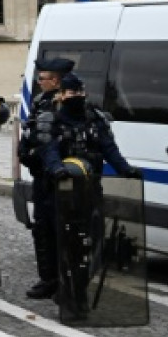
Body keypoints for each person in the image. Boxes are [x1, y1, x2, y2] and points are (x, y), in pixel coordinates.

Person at [38, 72, 143, 317]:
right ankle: (69, 295)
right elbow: (48, 150)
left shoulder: (95, 119)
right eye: (72, 93)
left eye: (81, 93)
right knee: (67, 246)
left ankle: (79, 289)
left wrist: (125, 169)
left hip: (90, 191)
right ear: (62, 95)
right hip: (62, 192)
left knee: (92, 244)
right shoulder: (50, 120)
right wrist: (57, 169)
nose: (77, 97)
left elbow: (109, 148)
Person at [18, 57, 73, 298]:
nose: (38, 83)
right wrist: (25, 153)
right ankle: (47, 278)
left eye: (42, 79)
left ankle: (66, 280)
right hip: (41, 176)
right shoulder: (40, 102)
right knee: (42, 229)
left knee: (64, 229)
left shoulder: (67, 105)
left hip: (61, 176)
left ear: (56, 80)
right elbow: (31, 132)